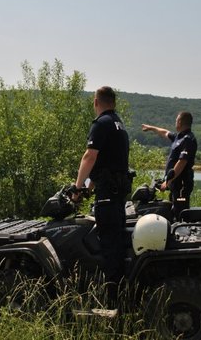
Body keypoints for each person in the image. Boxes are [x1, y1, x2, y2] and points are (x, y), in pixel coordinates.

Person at [73, 86, 130, 307]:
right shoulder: (119, 124)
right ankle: (119, 292)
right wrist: (88, 187)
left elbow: (90, 156)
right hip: (116, 194)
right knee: (116, 242)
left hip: (108, 196)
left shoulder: (101, 124)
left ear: (96, 102)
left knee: (109, 246)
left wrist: (77, 187)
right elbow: (106, 165)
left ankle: (112, 300)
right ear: (113, 102)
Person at [142, 111, 197, 221]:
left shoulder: (188, 139)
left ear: (180, 122)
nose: (175, 122)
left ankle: (183, 234)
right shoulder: (178, 137)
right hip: (175, 184)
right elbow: (165, 132)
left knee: (181, 213)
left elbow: (181, 163)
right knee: (173, 211)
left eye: (176, 120)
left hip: (181, 184)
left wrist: (167, 182)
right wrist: (151, 128)